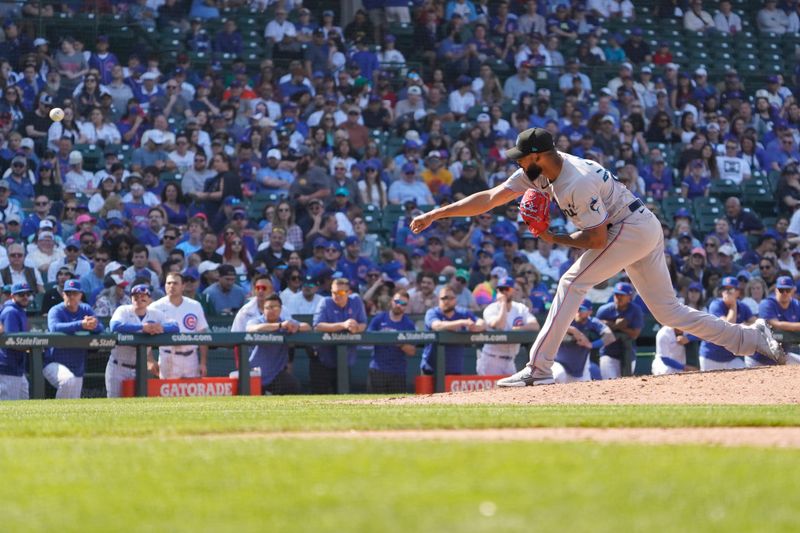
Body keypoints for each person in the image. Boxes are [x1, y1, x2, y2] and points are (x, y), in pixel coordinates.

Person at [409, 127, 784, 386]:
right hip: (640, 224)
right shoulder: (543, 171)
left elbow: (596, 239)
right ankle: (751, 340)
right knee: (668, 312)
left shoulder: (575, 181)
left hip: (629, 228)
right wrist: (437, 213)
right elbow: (490, 198)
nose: (518, 163)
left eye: (522, 158)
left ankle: (539, 368)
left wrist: (549, 236)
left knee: (572, 281)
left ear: (538, 156)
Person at [106, 284, 178, 398]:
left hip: (139, 368)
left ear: (149, 299)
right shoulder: (123, 310)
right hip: (118, 366)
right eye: (136, 296)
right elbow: (114, 326)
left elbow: (175, 326)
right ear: (131, 298)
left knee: (138, 403)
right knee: (114, 402)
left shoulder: (155, 313)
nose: (139, 298)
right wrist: (141, 327)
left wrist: (161, 328)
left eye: (143, 296)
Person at [44, 279, 105, 399]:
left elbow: (101, 327)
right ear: (63, 295)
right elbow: (54, 327)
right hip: (53, 362)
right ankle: (57, 415)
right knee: (67, 381)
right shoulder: (56, 310)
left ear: (80, 295)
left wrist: (93, 325)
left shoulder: (86, 309)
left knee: (73, 402)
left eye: (75, 293)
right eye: (68, 293)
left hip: (77, 365)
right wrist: (81, 324)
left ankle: (62, 417)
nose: (71, 296)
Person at [312, 277, 367, 394]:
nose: (337, 295)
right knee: (321, 398)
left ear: (349, 292)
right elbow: (318, 326)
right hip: (323, 359)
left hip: (346, 359)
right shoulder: (325, 302)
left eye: (341, 292)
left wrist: (355, 327)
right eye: (334, 292)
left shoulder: (356, 300)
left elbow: (363, 324)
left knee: (343, 396)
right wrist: (343, 325)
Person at [149, 272, 209, 379]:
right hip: (167, 356)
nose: (171, 286)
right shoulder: (155, 307)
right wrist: (150, 360)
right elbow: (146, 335)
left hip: (191, 357)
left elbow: (202, 333)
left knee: (193, 393)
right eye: (169, 283)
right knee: (167, 394)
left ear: (183, 286)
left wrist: (203, 362)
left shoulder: (194, 305)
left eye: (175, 283)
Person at [246, 294, 310, 395]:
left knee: (293, 385)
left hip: (276, 372)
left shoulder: (285, 322)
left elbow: (307, 326)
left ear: (281, 309)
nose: (271, 310)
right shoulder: (258, 321)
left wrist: (296, 327)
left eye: (275, 307)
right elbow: (252, 328)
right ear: (263, 310)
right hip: (255, 371)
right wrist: (279, 326)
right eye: (268, 307)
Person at [478, 277, 539, 376]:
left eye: (507, 289)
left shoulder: (520, 308)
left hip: (510, 360)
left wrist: (519, 329)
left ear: (513, 291)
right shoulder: (491, 309)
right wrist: (503, 303)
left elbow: (535, 325)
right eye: (501, 289)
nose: (504, 292)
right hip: (492, 359)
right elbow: (500, 326)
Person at [421, 286, 486, 376]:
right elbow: (437, 325)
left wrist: (476, 327)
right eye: (444, 298)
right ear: (438, 300)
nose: (447, 301)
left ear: (455, 299)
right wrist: (461, 322)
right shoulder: (432, 312)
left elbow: (482, 323)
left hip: (454, 367)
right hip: (431, 368)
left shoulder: (462, 313)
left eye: (450, 298)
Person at [698, 277, 755, 371]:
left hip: (731, 357)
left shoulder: (743, 306)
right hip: (711, 356)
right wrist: (733, 305)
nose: (726, 292)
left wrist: (745, 324)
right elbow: (728, 327)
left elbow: (754, 322)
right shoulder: (716, 304)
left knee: (743, 380)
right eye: (724, 289)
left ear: (738, 292)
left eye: (730, 289)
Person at [366, 289, 417, 393]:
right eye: (397, 301)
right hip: (377, 369)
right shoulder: (379, 319)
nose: (399, 305)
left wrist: (399, 343)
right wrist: (382, 336)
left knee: (397, 405)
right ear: (391, 301)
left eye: (403, 303)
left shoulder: (409, 324)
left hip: (398, 372)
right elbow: (367, 340)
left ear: (406, 306)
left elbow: (412, 351)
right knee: (373, 404)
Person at [553, 299, 615, 384]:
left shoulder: (593, 322)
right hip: (559, 364)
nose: (578, 312)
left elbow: (610, 337)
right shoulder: (567, 319)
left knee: (585, 389)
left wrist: (591, 345)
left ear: (590, 312)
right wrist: (575, 331)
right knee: (559, 375)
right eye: (576, 309)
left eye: (582, 309)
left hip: (579, 370)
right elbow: (553, 325)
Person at [746, 276, 800, 368]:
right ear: (775, 290)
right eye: (781, 290)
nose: (785, 293)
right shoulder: (767, 303)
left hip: (781, 356)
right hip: (758, 358)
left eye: (788, 290)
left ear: (793, 290)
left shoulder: (796, 305)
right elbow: (775, 324)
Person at [596, 282, 644, 379]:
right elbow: (597, 329)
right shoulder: (604, 310)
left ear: (629, 297)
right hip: (608, 353)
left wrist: (619, 327)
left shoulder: (635, 310)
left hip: (628, 353)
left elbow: (635, 334)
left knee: (626, 384)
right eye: (616, 294)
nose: (618, 297)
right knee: (609, 384)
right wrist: (615, 325)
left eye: (622, 295)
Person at [0, 283, 31, 400]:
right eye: (21, 294)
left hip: (16, 366)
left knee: (23, 399)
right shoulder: (10, 312)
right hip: (7, 365)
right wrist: (31, 347)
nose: (25, 297)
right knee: (9, 405)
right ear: (12, 296)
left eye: (28, 294)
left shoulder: (19, 310)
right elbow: (11, 341)